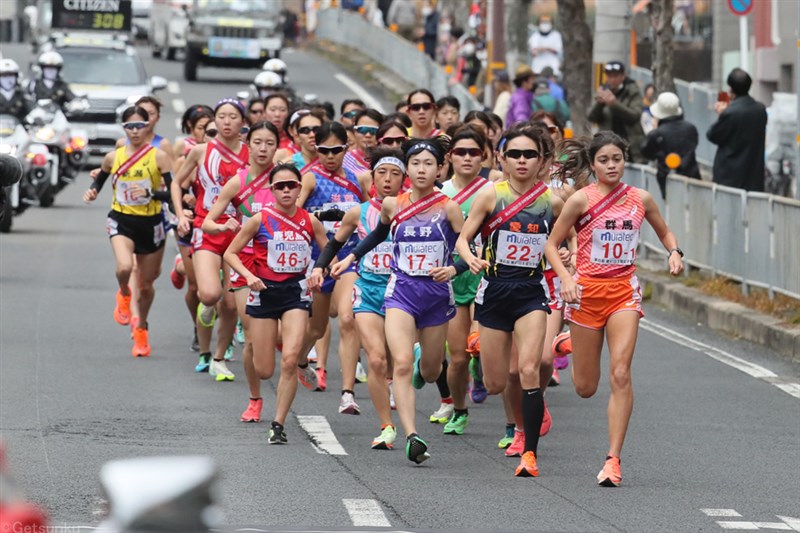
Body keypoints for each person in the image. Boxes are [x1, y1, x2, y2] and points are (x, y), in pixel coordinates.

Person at [544, 131, 684, 487]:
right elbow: (551, 244)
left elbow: (665, 232)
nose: (611, 166)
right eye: (604, 160)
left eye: (617, 159)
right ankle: (567, 342)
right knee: (585, 387)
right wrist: (567, 278)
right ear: (592, 165)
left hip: (623, 292)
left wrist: (674, 252)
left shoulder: (640, 198)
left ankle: (613, 459)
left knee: (621, 373)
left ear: (625, 160)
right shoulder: (580, 200)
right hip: (586, 294)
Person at [331, 136, 465, 464]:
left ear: (439, 169)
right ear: (408, 169)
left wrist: (453, 268)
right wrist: (351, 257)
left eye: (428, 164)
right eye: (415, 164)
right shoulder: (393, 204)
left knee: (432, 371)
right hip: (401, 292)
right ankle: (411, 434)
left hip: (435, 295)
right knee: (400, 363)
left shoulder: (448, 207)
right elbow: (379, 233)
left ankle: (426, 365)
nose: (421, 169)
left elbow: (466, 246)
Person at [456, 125, 562, 477]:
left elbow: (572, 235)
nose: (521, 160)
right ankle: (514, 409)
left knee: (528, 370)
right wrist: (470, 257)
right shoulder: (491, 195)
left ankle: (529, 452)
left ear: (542, 160)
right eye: (514, 154)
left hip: (531, 292)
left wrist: (569, 255)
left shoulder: (552, 201)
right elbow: (464, 237)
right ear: (501, 157)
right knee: (498, 381)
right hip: (494, 291)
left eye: (529, 154)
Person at [224, 163, 329, 445]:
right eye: (279, 186)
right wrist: (248, 276)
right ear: (271, 191)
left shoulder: (311, 221)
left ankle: (278, 423)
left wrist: (319, 269)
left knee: (290, 359)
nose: (286, 190)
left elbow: (327, 249)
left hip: (295, 293)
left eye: (291, 185)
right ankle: (266, 384)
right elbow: (230, 253)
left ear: (299, 189)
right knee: (265, 369)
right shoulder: (259, 219)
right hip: (264, 292)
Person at [311, 147, 406, 448]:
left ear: (405, 178)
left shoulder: (412, 211)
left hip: (402, 293)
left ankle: (404, 376)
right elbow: (334, 243)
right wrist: (319, 267)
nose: (387, 180)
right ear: (371, 179)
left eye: (394, 174)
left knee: (399, 360)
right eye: (381, 173)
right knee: (376, 359)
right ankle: (386, 426)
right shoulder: (359, 213)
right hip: (368, 289)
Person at [82, 106, 173, 357]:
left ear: (148, 127)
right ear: (124, 129)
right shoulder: (114, 157)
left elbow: (173, 192)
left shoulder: (159, 157)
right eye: (130, 126)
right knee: (124, 267)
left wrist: (153, 195)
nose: (135, 131)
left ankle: (141, 326)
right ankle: (123, 292)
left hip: (151, 222)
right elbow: (99, 180)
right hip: (121, 220)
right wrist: (92, 191)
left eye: (139, 126)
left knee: (146, 284)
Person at [203, 121, 279, 422]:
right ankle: (255, 398)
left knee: (285, 336)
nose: (262, 148)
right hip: (245, 264)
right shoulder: (238, 181)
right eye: (257, 142)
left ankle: (299, 361)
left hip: (281, 264)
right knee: (251, 335)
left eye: (269, 143)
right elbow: (208, 221)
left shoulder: (284, 179)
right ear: (249, 143)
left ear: (277, 146)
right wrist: (224, 225)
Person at [172, 98, 250, 381]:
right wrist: (182, 214)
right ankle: (205, 343)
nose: (227, 121)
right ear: (215, 121)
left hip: (239, 235)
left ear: (243, 122)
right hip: (207, 228)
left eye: (233, 117)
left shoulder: (252, 154)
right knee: (209, 294)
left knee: (230, 306)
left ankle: (217, 356)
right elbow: (176, 182)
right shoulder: (201, 151)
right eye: (222, 116)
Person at [298, 121, 370, 402]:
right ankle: (303, 359)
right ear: (316, 149)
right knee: (316, 328)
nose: (330, 156)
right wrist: (318, 220)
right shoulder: (310, 178)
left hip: (348, 257)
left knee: (347, 318)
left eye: (336, 150)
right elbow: (298, 214)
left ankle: (347, 392)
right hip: (318, 259)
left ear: (346, 148)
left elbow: (369, 214)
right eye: (324, 150)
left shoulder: (358, 178)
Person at [439, 126, 494, 433]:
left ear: (483, 156)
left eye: (474, 152)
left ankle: (482, 366)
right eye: (460, 152)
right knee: (457, 359)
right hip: (453, 281)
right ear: (450, 156)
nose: (467, 158)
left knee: (483, 346)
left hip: (488, 279)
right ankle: (459, 409)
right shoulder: (440, 194)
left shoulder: (493, 191)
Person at [706, 68, 768, 192]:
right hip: (753, 175)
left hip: (730, 176)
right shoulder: (760, 110)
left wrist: (721, 115)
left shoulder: (731, 113)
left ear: (731, 88)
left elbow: (713, 135)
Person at [640, 91, 700, 198]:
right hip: (692, 180)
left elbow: (646, 152)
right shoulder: (691, 128)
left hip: (666, 180)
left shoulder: (657, 134)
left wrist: (655, 130)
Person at [588, 61, 646, 163]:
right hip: (608, 145)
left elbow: (634, 116)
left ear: (622, 76)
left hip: (631, 146)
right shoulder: (603, 90)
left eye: (615, 76)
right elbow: (591, 117)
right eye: (609, 76)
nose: (612, 79)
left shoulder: (632, 91)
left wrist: (614, 104)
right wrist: (600, 104)